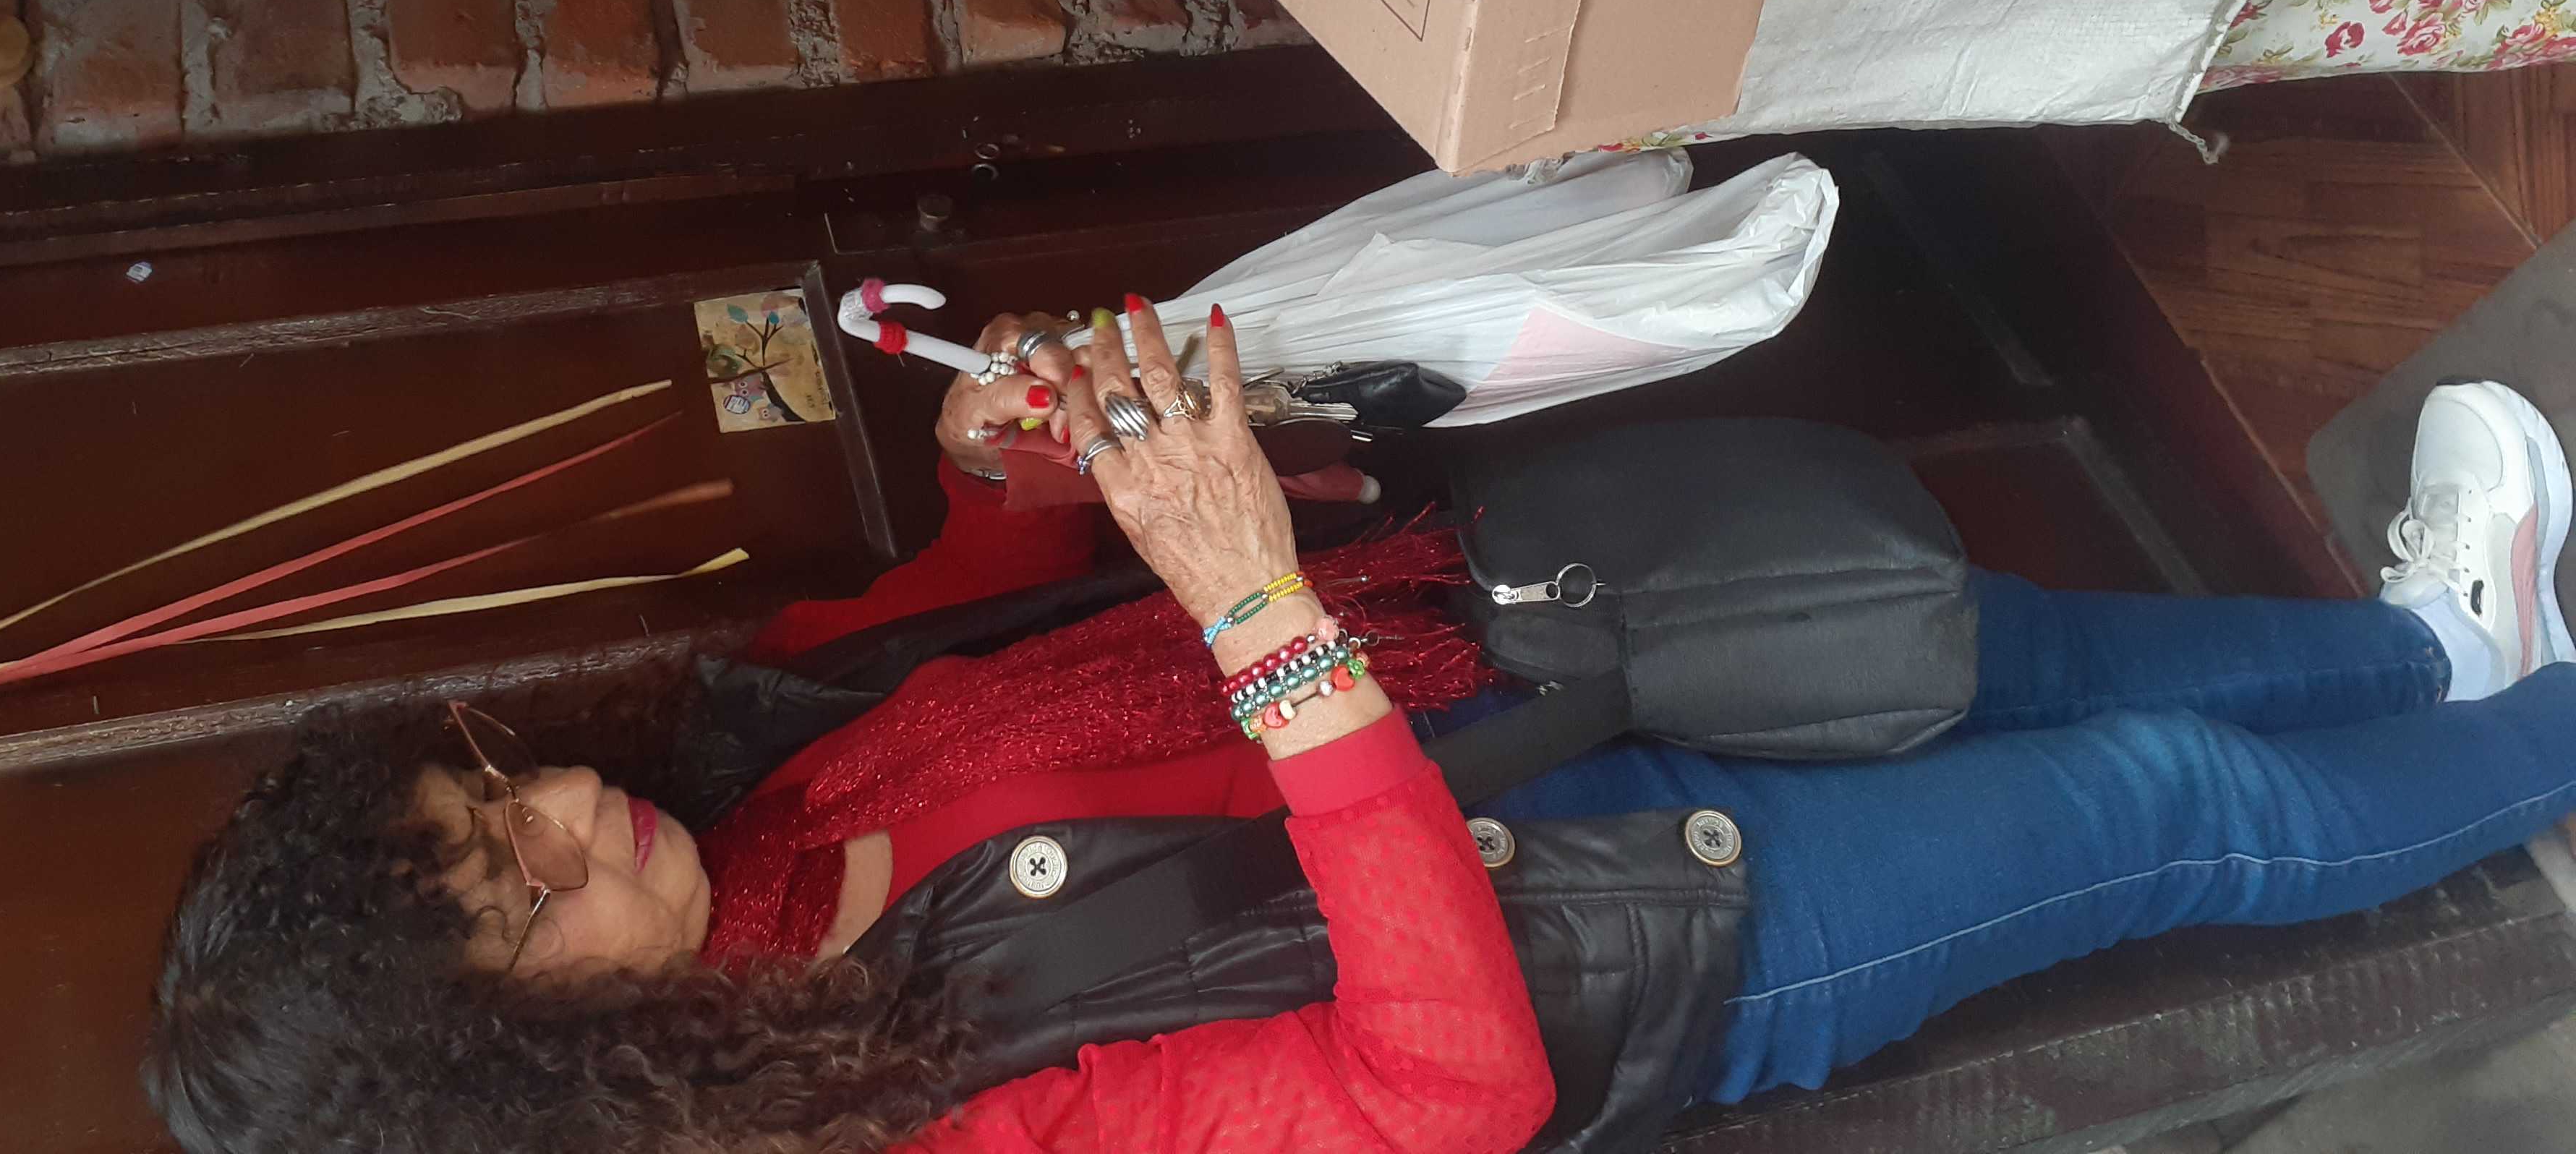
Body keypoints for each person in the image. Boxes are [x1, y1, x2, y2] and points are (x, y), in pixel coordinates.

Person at [147, 299, 2576, 1154]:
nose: (580, 808)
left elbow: (989, 607)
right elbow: (1445, 1090)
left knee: (2013, 648)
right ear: (519, 1085)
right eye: (528, 891)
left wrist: (1022, 452)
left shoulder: (748, 783)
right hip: (1631, 922)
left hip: (1546, 674)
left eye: (506, 788)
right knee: (2166, 811)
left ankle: (2448, 658)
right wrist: (1256, 614)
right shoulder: (898, 1118)